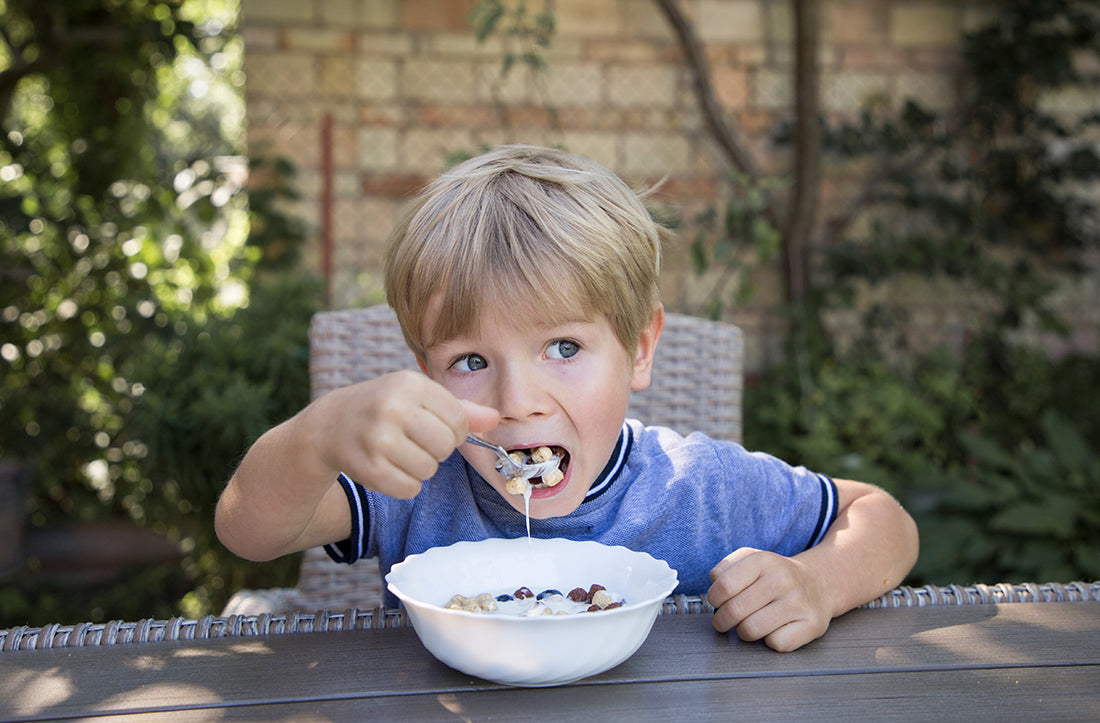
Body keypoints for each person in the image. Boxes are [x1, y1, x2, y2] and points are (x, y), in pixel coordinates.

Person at [215, 145, 918, 652]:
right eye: (469, 360)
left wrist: (818, 582)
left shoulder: (701, 488)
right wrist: (316, 437)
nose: (520, 401)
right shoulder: (414, 484)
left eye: (563, 348)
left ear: (640, 348)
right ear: (424, 377)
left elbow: (880, 517)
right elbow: (247, 530)